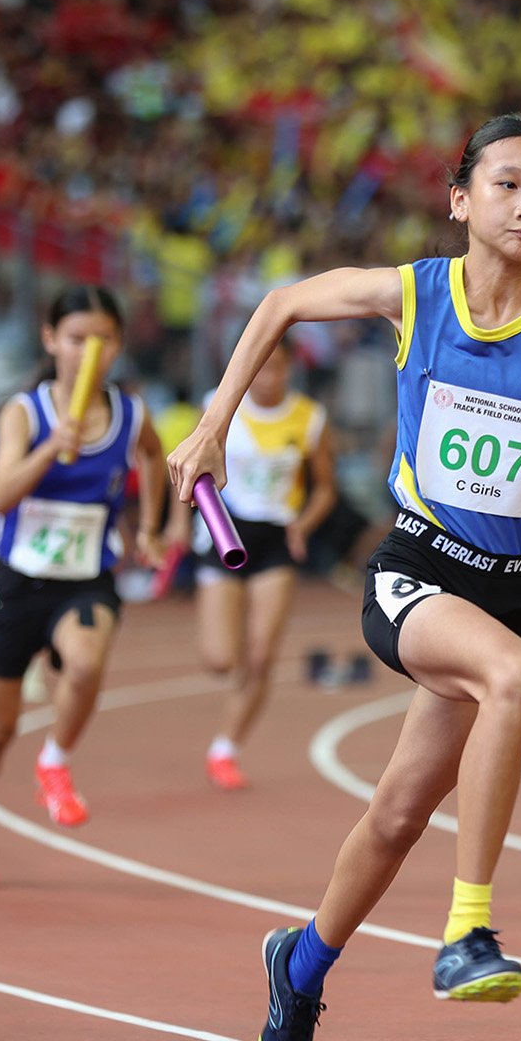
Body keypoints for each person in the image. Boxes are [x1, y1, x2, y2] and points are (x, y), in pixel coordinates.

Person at [168, 114, 521, 1041]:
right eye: (507, 184)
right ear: (461, 199)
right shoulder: (415, 294)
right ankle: (468, 930)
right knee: (517, 679)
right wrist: (212, 423)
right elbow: (284, 302)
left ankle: (296, 971)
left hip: (508, 590)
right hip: (417, 568)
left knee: (392, 817)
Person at [0, 288, 181, 890]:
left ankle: (54, 760)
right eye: (76, 338)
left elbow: (154, 459)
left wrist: (151, 527)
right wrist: (52, 448)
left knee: (84, 667)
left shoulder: (130, 413)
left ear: (119, 346)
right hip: (18, 583)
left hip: (85, 581)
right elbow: (0, 495)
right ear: (50, 339)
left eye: (103, 340)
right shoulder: (24, 414)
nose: (89, 352)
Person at [190, 337, 338, 790]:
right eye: (262, 367)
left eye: (278, 368)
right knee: (221, 658)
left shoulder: (309, 418)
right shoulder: (219, 405)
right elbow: (192, 466)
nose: (269, 377)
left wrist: (302, 525)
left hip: (275, 539)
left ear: (291, 369)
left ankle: (225, 748)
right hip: (225, 532)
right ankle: (235, 686)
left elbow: (325, 488)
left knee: (261, 654)